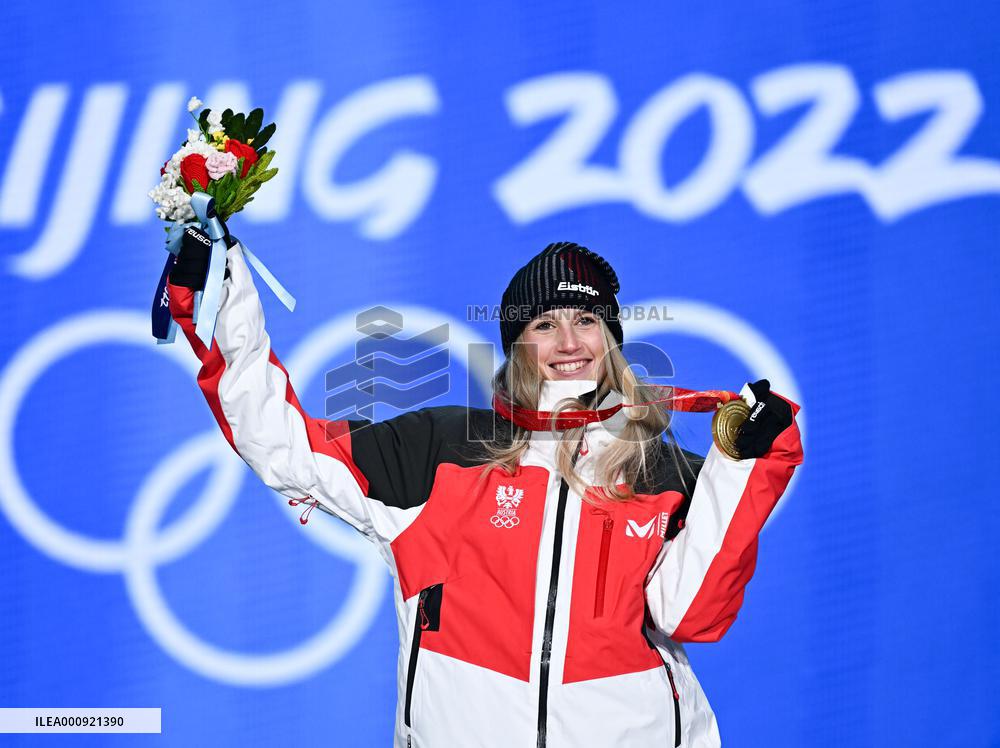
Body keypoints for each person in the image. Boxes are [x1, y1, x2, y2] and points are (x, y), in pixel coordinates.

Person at [166, 232, 804, 748]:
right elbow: (282, 443)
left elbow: (690, 615)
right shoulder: (440, 452)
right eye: (545, 323)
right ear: (515, 343)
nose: (569, 343)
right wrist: (225, 293)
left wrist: (741, 461)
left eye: (586, 321)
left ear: (611, 341)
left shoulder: (665, 475)